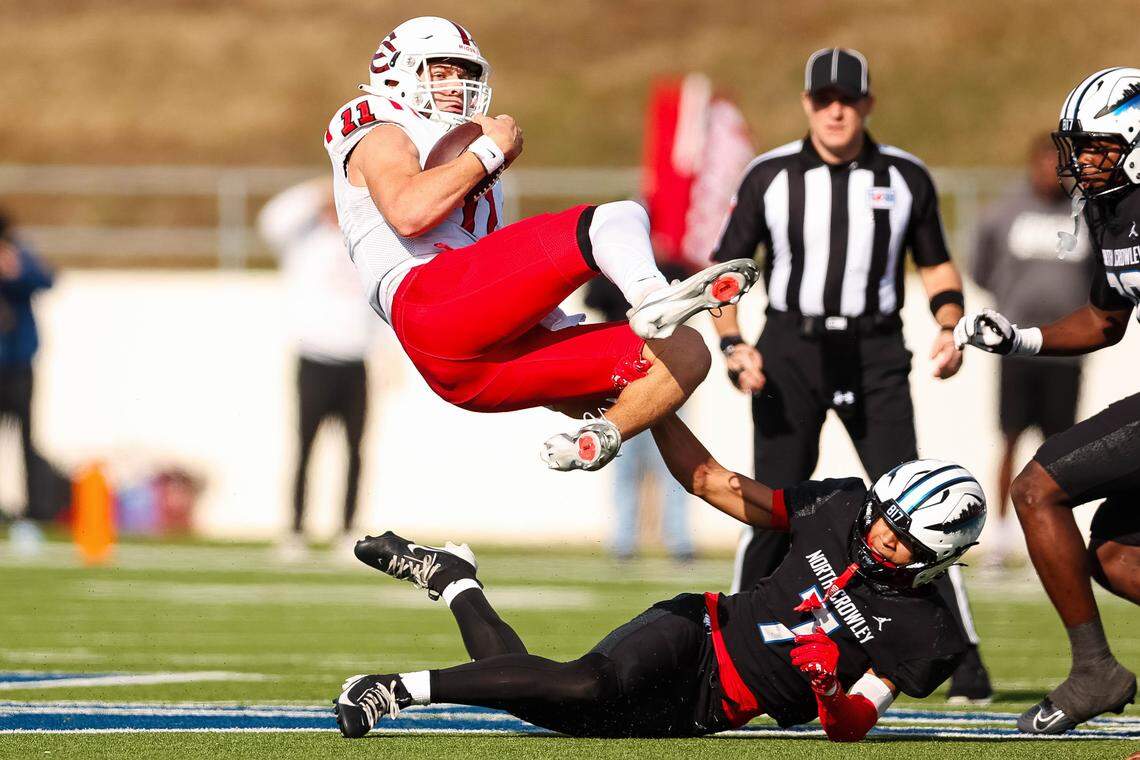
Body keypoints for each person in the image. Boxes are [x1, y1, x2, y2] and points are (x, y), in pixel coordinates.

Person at [332, 415, 985, 741]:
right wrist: (651, 409)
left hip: (711, 708)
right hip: (701, 630)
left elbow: (853, 725)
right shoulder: (841, 508)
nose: (876, 537)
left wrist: (825, 691)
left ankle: (454, 581)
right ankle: (393, 689)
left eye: (898, 541)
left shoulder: (927, 630)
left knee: (549, 703)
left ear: (938, 557)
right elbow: (713, 483)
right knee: (588, 682)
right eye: (878, 520)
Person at [322, 17, 758, 474]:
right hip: (427, 300)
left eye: (464, 73)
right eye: (442, 69)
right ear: (398, 70)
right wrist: (490, 152)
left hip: (472, 364)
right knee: (616, 217)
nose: (457, 83)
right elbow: (408, 213)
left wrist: (701, 472)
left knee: (686, 353)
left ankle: (601, 437)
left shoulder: (462, 164)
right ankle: (651, 295)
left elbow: (494, 279)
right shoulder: (383, 125)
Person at [708, 47, 990, 700]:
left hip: (875, 354)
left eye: (849, 99)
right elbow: (725, 270)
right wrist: (732, 344)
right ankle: (733, 634)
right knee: (769, 503)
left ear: (867, 104)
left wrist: (950, 328)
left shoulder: (905, 175)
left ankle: (966, 660)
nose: (836, 110)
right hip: (789, 350)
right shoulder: (770, 175)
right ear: (807, 103)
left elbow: (938, 265)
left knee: (919, 509)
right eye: (824, 98)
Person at [955, 66, 1140, 734]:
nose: (1082, 162)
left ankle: (1094, 670)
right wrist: (1021, 339)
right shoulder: (1112, 210)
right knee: (1119, 558)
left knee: (1036, 488)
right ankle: (1097, 670)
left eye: (1096, 147)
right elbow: (1104, 321)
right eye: (1079, 147)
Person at [970, 134, 1096, 565]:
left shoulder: (1087, 214)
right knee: (1009, 437)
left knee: (1063, 447)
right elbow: (980, 267)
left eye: (1059, 164)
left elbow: (1102, 274)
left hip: (1067, 351)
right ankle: (1000, 541)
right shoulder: (1005, 211)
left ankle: (1062, 537)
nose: (1051, 171)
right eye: (1044, 162)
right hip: (1017, 348)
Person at [257, 179, 378, 560]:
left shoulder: (364, 243)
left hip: (355, 362)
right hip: (314, 360)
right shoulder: (303, 240)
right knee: (305, 448)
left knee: (355, 451)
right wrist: (321, 187)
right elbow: (271, 220)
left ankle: (348, 531)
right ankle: (294, 530)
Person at [585, 265, 694, 561]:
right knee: (623, 463)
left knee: (678, 465)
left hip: (668, 376)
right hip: (623, 377)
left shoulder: (669, 267)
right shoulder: (610, 274)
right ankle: (623, 541)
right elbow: (591, 301)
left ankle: (679, 540)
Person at [0, 212, 54, 527]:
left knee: (26, 439)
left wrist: (14, 270)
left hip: (18, 365)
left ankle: (36, 509)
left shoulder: (17, 253)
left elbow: (46, 279)